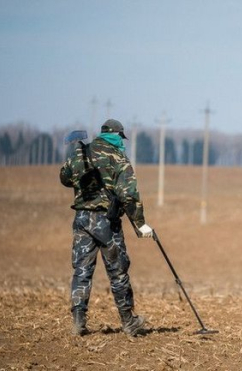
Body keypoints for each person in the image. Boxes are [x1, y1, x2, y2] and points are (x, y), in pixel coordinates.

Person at [60, 119, 153, 336]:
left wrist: (78, 160)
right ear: (117, 136)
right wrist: (141, 225)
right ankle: (129, 322)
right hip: (107, 223)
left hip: (82, 219)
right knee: (118, 271)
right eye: (121, 138)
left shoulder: (81, 153)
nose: (122, 142)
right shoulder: (119, 158)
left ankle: (78, 322)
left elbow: (64, 178)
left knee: (82, 271)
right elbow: (129, 195)